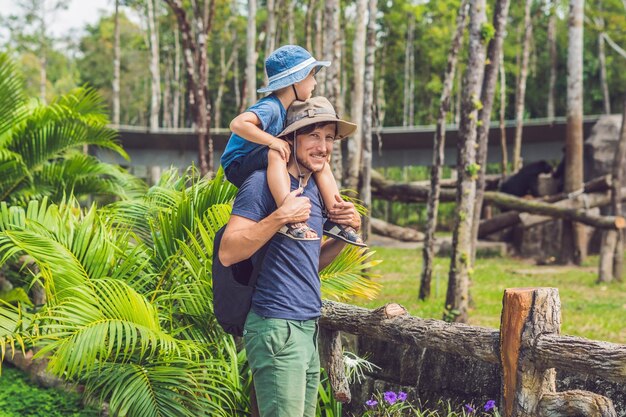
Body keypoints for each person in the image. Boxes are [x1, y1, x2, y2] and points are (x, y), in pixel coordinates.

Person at [218, 97, 361, 417]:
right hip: (275, 326)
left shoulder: (314, 189)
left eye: (329, 137)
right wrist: (279, 217)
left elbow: (309, 263)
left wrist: (344, 235)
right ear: (291, 138)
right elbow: (228, 252)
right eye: (314, 135)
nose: (323, 146)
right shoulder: (260, 185)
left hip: (306, 324)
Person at [220, 44, 365, 246]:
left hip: (259, 156)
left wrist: (320, 153)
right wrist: (272, 141)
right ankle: (289, 211)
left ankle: (337, 217)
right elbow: (237, 124)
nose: (314, 83)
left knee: (321, 164)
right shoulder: (270, 106)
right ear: (297, 79)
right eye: (312, 76)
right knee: (276, 152)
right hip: (238, 163)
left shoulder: (287, 109)